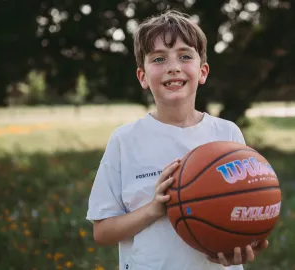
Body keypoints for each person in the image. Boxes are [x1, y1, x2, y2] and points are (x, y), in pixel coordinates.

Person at [86, 9, 269, 270]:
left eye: (184, 56)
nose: (173, 67)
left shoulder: (227, 135)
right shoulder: (125, 140)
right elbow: (102, 232)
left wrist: (243, 241)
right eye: (159, 59)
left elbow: (244, 209)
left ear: (202, 71)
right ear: (143, 77)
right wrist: (154, 209)